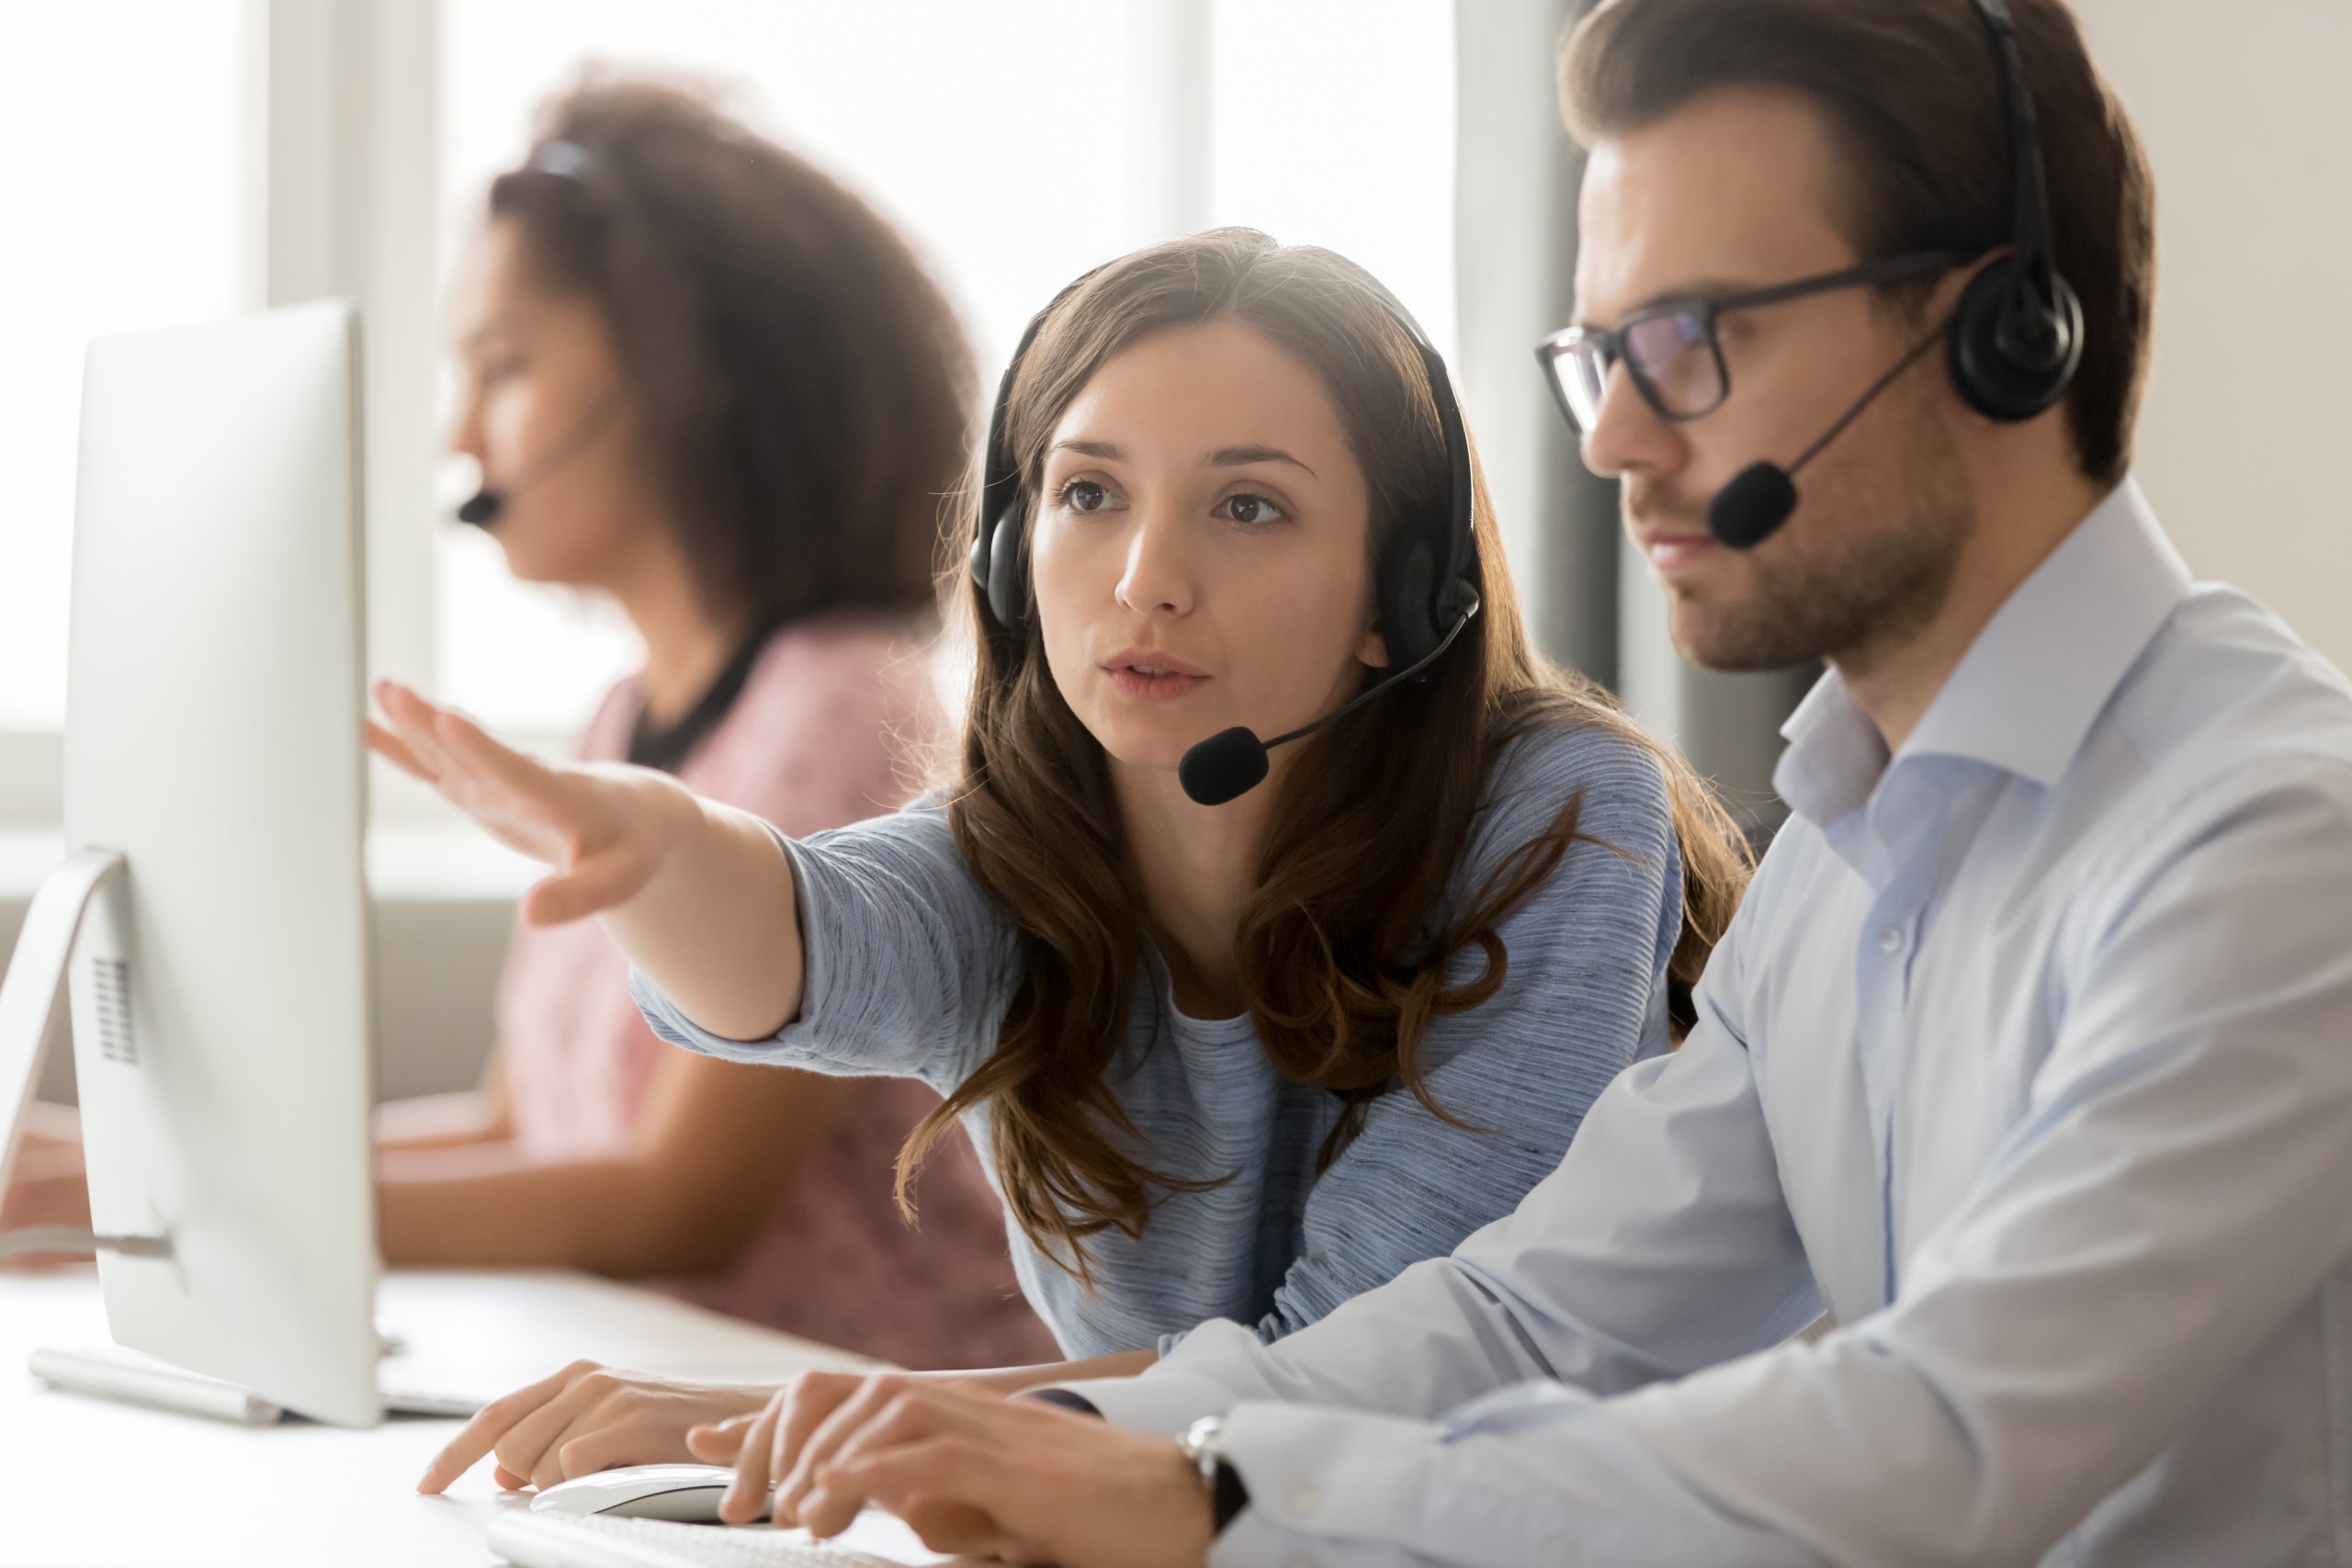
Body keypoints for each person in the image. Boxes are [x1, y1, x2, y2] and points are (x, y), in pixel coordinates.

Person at [656, 2, 2352, 1564]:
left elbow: (1947, 1436)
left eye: (1695, 337)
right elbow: (1529, 1320)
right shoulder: (1849, 853)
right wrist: (995, 1437)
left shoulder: (2269, 837)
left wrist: (1214, 1496)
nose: (1614, 438)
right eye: (1602, 352)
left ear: (2002, 331)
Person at [380, 226, 1755, 1500]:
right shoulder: (1026, 846)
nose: (1147, 575)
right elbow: (808, 939)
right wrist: (661, 852)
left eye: (1251, 509)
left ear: (1401, 599)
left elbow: (1361, 1374)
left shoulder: (1562, 815)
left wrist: (772, 1420)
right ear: (1004, 557)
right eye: (1088, 492)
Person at [1, 78, 1056, 1371]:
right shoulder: (625, 720)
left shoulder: (848, 709)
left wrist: (185, 1206)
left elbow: (679, 1200)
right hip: (658, 1401)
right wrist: (135, 1169)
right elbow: (529, 1131)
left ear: (689, 375)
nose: (460, 432)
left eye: (503, 365)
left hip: (852, 1437)